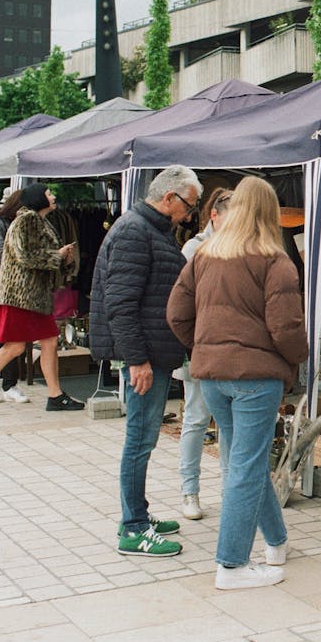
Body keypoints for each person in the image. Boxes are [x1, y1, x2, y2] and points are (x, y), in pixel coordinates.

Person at [167, 175, 307, 590]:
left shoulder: (205, 255)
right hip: (255, 377)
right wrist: (298, 358)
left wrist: (205, 347)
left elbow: (176, 313)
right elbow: (286, 328)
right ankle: (231, 565)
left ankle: (277, 543)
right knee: (245, 467)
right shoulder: (274, 261)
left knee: (246, 463)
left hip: (212, 376)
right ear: (270, 212)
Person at [91, 165, 202, 558]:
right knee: (139, 440)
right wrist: (136, 359)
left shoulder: (148, 229)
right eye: (188, 205)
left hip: (152, 353)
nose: (189, 215)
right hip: (145, 358)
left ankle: (137, 514)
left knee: (144, 439)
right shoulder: (135, 231)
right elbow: (119, 304)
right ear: (169, 197)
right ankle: (134, 528)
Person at [0, 183, 83, 418]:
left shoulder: (39, 221)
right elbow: (24, 256)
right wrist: (56, 255)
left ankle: (55, 395)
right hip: (21, 296)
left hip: (34, 296)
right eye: (48, 193)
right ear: (38, 198)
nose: (53, 196)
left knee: (49, 341)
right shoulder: (26, 221)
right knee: (14, 347)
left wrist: (62, 258)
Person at [175, 186, 233, 521]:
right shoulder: (194, 248)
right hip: (199, 345)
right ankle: (189, 490)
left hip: (226, 348)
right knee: (196, 417)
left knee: (227, 423)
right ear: (215, 215)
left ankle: (230, 490)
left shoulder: (238, 246)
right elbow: (182, 302)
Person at [0, 188, 30, 405]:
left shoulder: (20, 225)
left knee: (14, 338)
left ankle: (10, 384)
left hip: (15, 289)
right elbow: (0, 253)